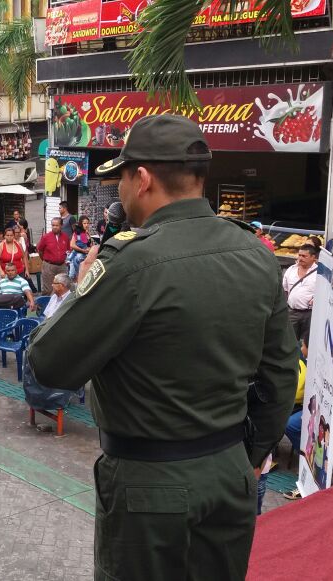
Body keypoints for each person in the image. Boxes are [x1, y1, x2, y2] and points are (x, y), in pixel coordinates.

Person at [27, 114, 299, 581]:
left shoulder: (131, 262)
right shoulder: (255, 253)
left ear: (144, 178)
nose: (121, 194)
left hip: (149, 486)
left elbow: (46, 363)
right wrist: (246, 455)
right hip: (229, 472)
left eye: (122, 180)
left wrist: (83, 281)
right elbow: (280, 375)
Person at [282, 244, 318, 344]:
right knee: (289, 341)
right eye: (299, 255)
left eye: (304, 256)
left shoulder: (319, 273)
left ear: (313, 257)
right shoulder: (291, 270)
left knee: (306, 342)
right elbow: (284, 290)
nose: (300, 258)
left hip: (309, 314)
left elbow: (324, 292)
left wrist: (317, 298)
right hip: (292, 312)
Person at [34, 218, 69, 295]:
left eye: (57, 225)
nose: (55, 227)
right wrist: (45, 260)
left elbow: (68, 250)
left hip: (62, 266)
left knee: (63, 287)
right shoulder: (46, 237)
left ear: (61, 226)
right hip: (49, 265)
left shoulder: (65, 237)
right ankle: (46, 305)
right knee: (48, 289)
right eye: (53, 225)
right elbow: (40, 250)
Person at [67, 216, 92, 280]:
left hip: (84, 257)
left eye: (87, 223)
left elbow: (90, 245)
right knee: (73, 276)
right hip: (76, 256)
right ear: (81, 224)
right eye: (84, 223)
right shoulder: (77, 233)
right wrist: (82, 250)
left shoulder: (87, 233)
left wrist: (90, 248)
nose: (86, 225)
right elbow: (72, 245)